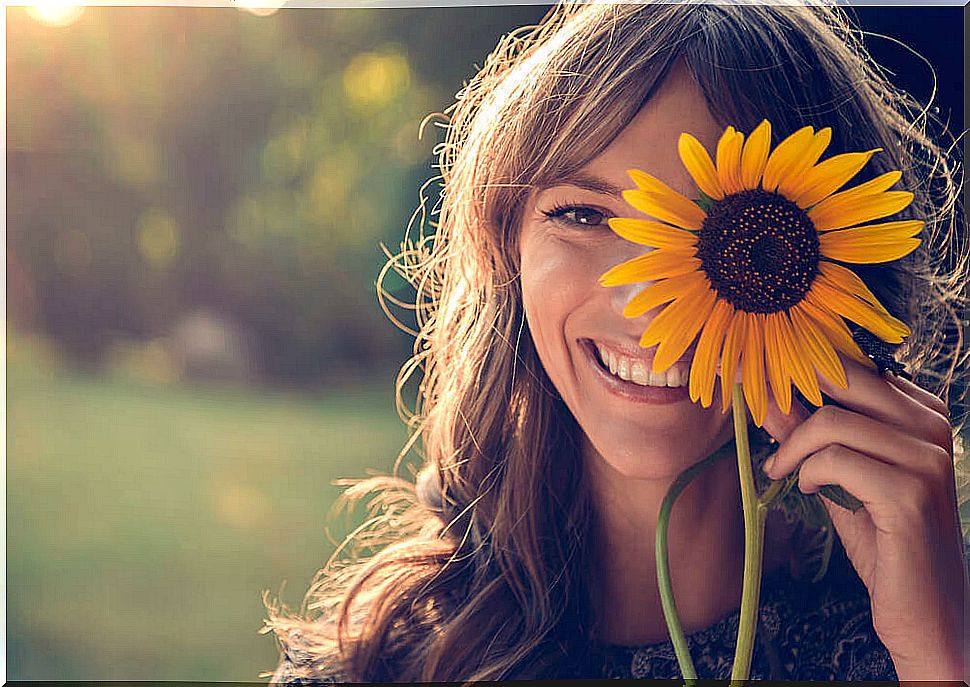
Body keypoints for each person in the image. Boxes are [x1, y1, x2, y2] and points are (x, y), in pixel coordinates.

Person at [262, 2, 969, 682]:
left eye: (716, 225)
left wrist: (939, 658)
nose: (648, 302)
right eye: (584, 214)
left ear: (843, 268)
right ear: (506, 248)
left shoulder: (919, 636)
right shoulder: (378, 665)